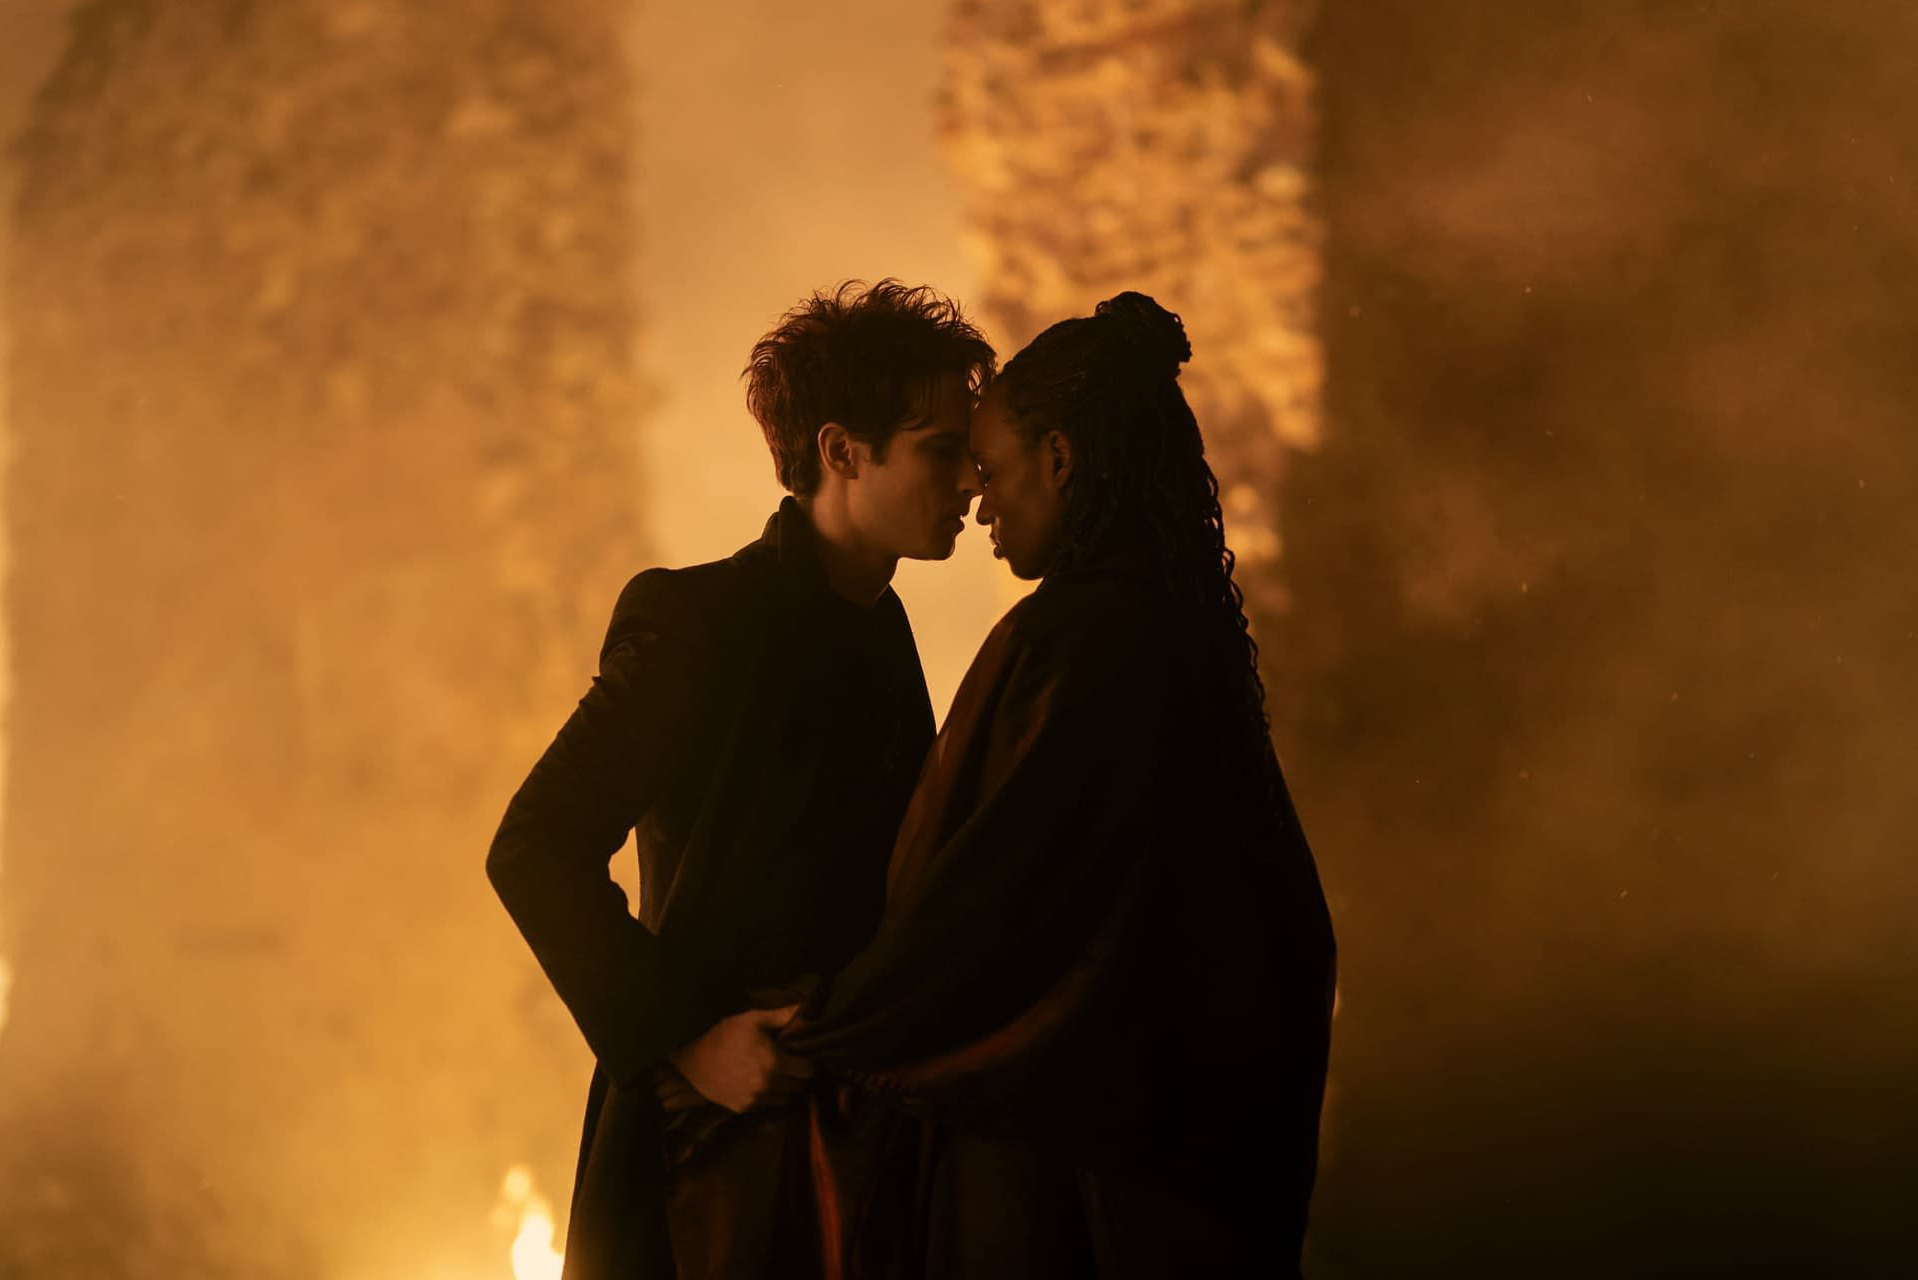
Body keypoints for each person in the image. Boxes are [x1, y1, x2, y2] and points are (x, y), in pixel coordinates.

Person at [783, 293, 1337, 1278]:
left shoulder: (1069, 644)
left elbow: (985, 908)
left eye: (992, 471)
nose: (980, 502)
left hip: (1086, 1175)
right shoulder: (1184, 636)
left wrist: (822, 1029)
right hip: (1204, 1160)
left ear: (1062, 460)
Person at [486, 280, 995, 1278]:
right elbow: (534, 845)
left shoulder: (878, 623)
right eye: (941, 448)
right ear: (842, 452)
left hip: (836, 1156)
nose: (972, 481)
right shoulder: (698, 623)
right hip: (698, 1161)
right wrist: (687, 1039)